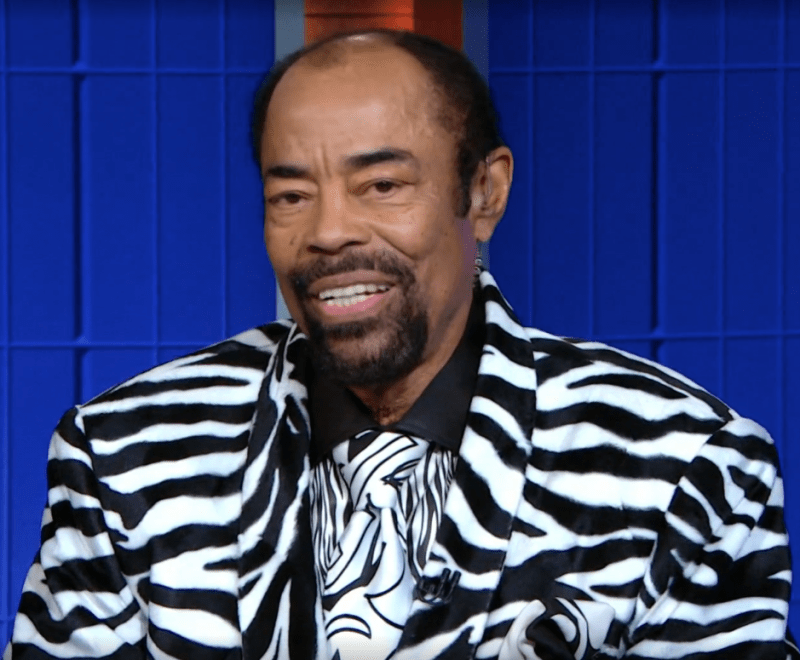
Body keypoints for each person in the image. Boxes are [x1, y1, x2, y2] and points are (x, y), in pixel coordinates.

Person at [4, 29, 798, 660]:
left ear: (483, 192)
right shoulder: (124, 454)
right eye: (291, 195)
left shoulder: (682, 465)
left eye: (381, 185)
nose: (330, 232)